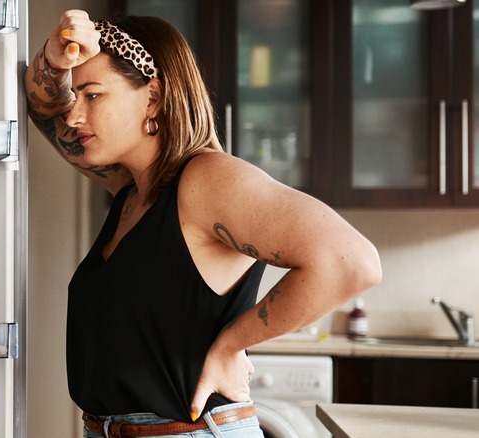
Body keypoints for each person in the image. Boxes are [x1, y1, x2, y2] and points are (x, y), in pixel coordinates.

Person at [25, 10, 382, 438]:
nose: (73, 116)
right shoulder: (131, 190)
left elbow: (353, 262)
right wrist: (54, 55)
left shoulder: (206, 180)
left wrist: (230, 344)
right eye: (73, 97)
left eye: (92, 95)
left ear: (153, 97)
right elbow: (42, 109)